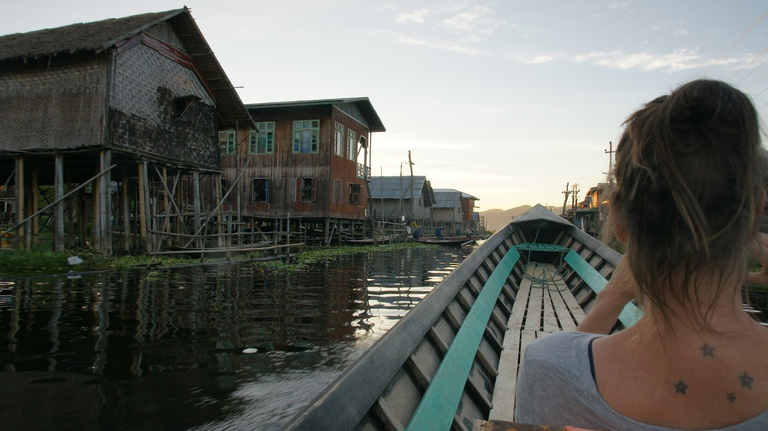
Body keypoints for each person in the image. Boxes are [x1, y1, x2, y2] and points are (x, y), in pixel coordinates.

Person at [514, 80, 768, 430]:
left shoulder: (550, 367)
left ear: (618, 220)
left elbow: (571, 362)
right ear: (756, 211)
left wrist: (611, 298)